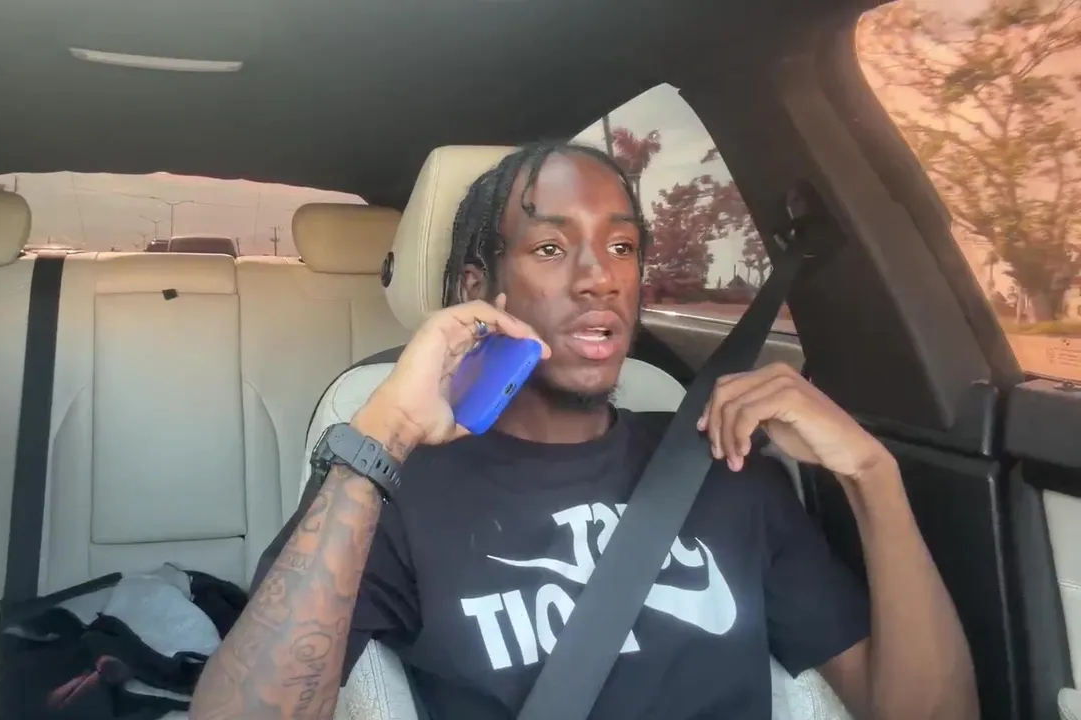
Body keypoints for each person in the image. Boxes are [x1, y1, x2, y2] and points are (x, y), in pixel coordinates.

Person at [188, 142, 978, 719]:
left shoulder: (723, 464)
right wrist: (381, 436)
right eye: (550, 247)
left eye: (622, 247)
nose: (600, 277)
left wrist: (872, 476)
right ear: (480, 288)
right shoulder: (399, 491)